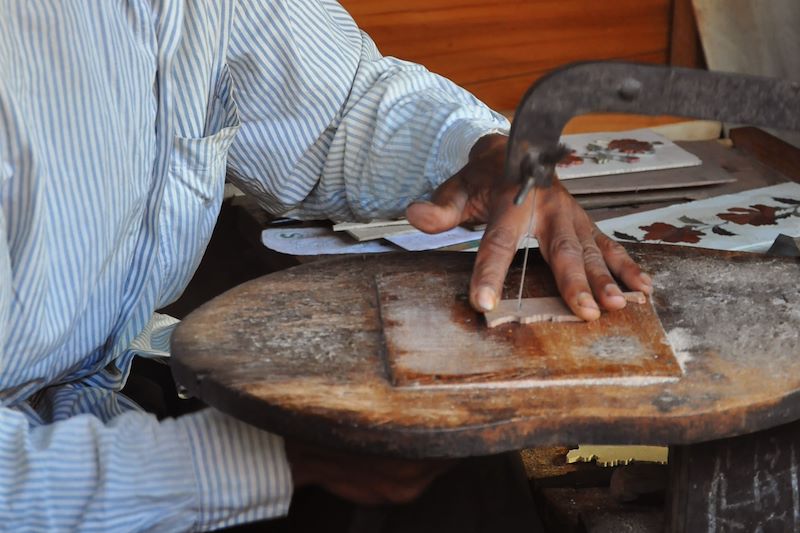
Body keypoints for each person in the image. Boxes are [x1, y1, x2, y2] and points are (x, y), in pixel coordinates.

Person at [0, 1, 651, 530]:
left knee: (462, 480)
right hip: (30, 476)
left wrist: (482, 153)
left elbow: (342, 109)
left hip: (100, 401)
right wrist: (266, 460)